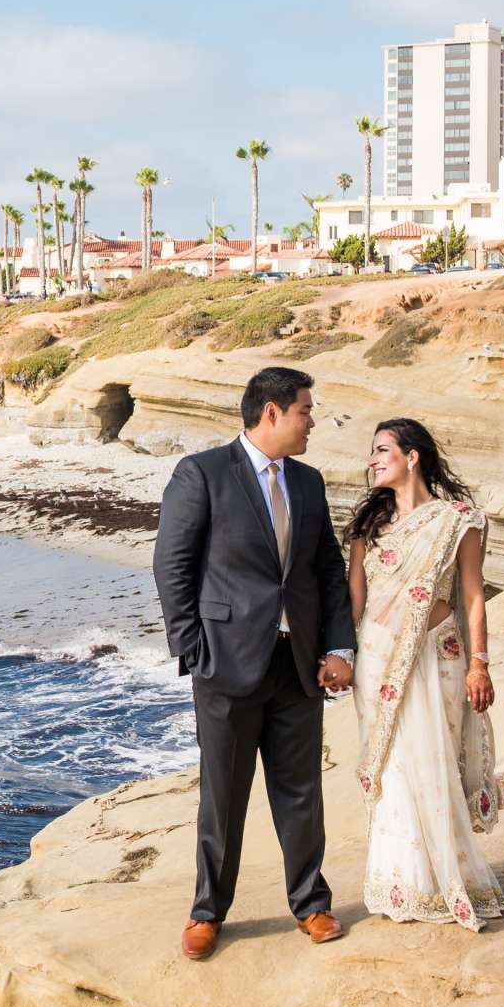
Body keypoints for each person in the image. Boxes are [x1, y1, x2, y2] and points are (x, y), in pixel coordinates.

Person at [154, 366, 357, 961]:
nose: (312, 421)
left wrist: (338, 647)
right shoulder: (203, 474)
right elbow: (173, 567)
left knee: (301, 792)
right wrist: (193, 650)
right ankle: (207, 913)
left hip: (298, 664)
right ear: (271, 413)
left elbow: (327, 572)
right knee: (224, 796)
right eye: (305, 411)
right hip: (226, 664)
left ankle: (312, 904)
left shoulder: (310, 481)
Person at [344, 418, 502, 929]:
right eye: (372, 452)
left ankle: (448, 880)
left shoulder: (457, 521)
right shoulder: (369, 528)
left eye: (381, 450)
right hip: (379, 661)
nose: (372, 460)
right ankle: (402, 881)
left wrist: (480, 663)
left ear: (413, 457)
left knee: (434, 759)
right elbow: (356, 606)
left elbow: (474, 595)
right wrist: (344, 660)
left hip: (439, 655)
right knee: (393, 766)